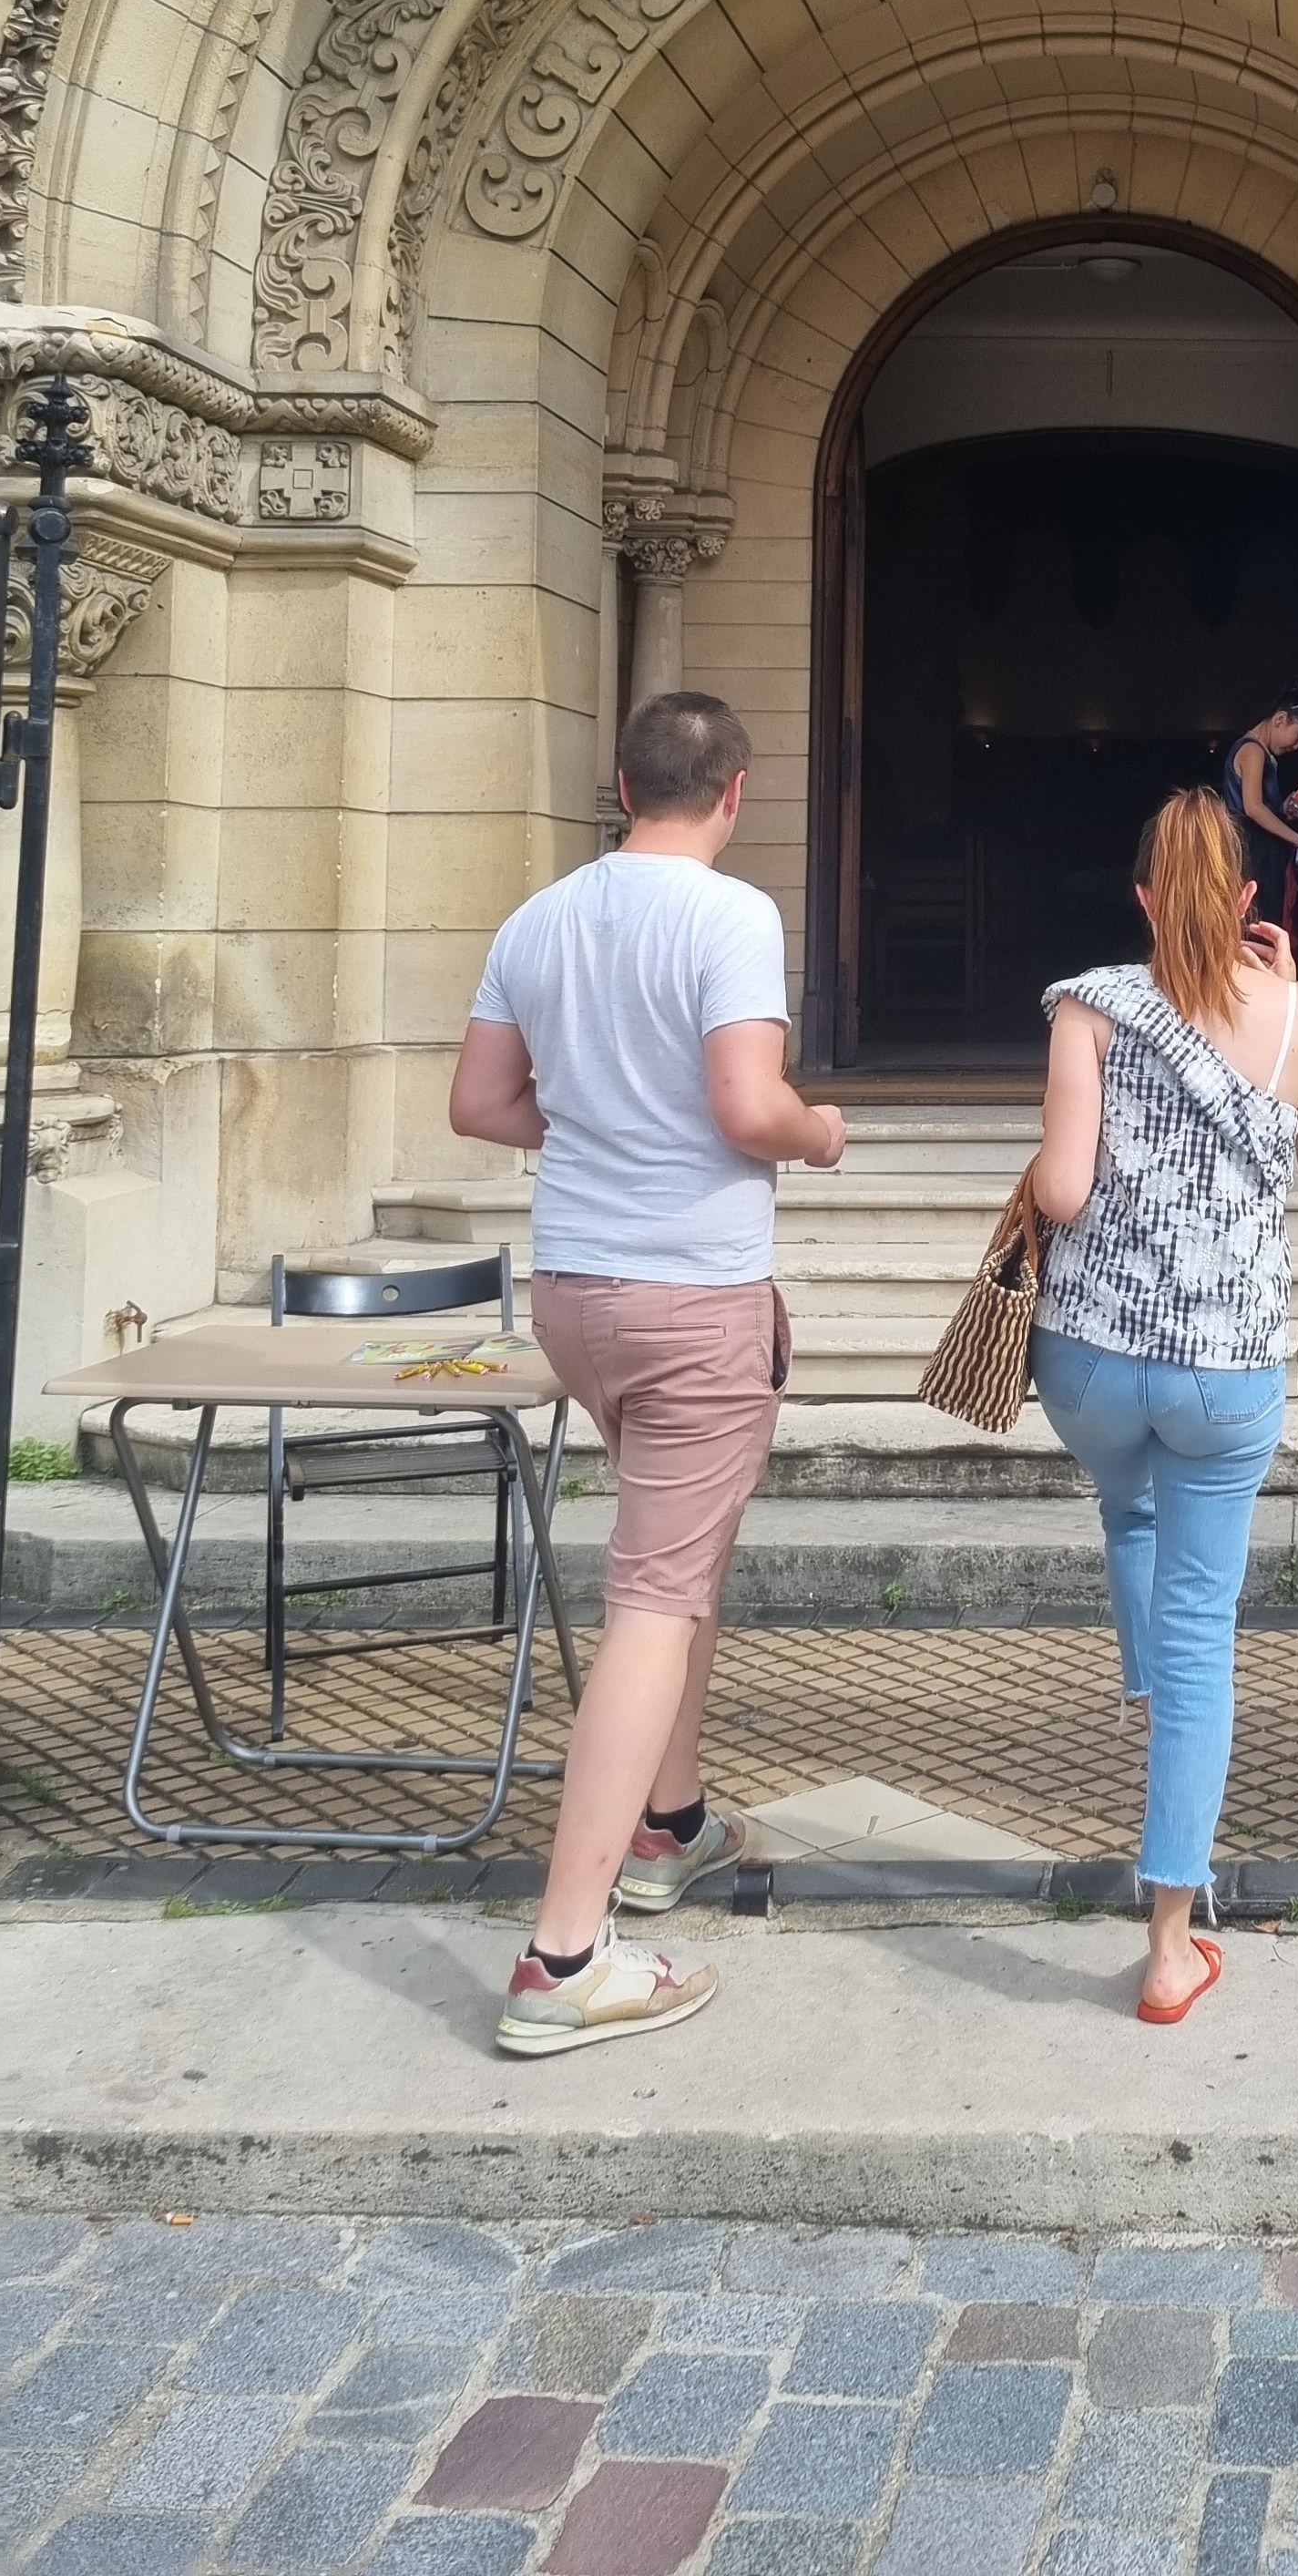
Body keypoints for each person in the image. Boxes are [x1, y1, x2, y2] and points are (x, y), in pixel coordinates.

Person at [449, 687, 845, 2056]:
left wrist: (601, 1109)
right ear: (732, 794)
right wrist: (820, 1129)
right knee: (657, 1598)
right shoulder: (733, 917)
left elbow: (481, 1105)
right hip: (691, 1293)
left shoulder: (537, 918)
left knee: (681, 1567)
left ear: (624, 789)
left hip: (575, 1295)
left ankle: (669, 1827)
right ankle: (568, 1953)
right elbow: (749, 1108)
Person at [1028, 785, 1298, 2019]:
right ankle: (1169, 1943)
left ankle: (1156, 1693)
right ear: (1251, 903)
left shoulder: (1089, 1005)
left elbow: (1062, 1195)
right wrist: (1291, 1022)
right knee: (1203, 1626)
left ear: (1148, 900)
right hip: (1228, 1371)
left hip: (1094, 1363)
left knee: (1131, 1518)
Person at [1222, 692, 1298, 942]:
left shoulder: (1259, 751)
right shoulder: (1253, 751)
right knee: (1259, 918)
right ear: (1280, 719)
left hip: (1252, 844)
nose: (1296, 747)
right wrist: (1297, 839)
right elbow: (1254, 808)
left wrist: (1283, 808)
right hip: (1252, 846)